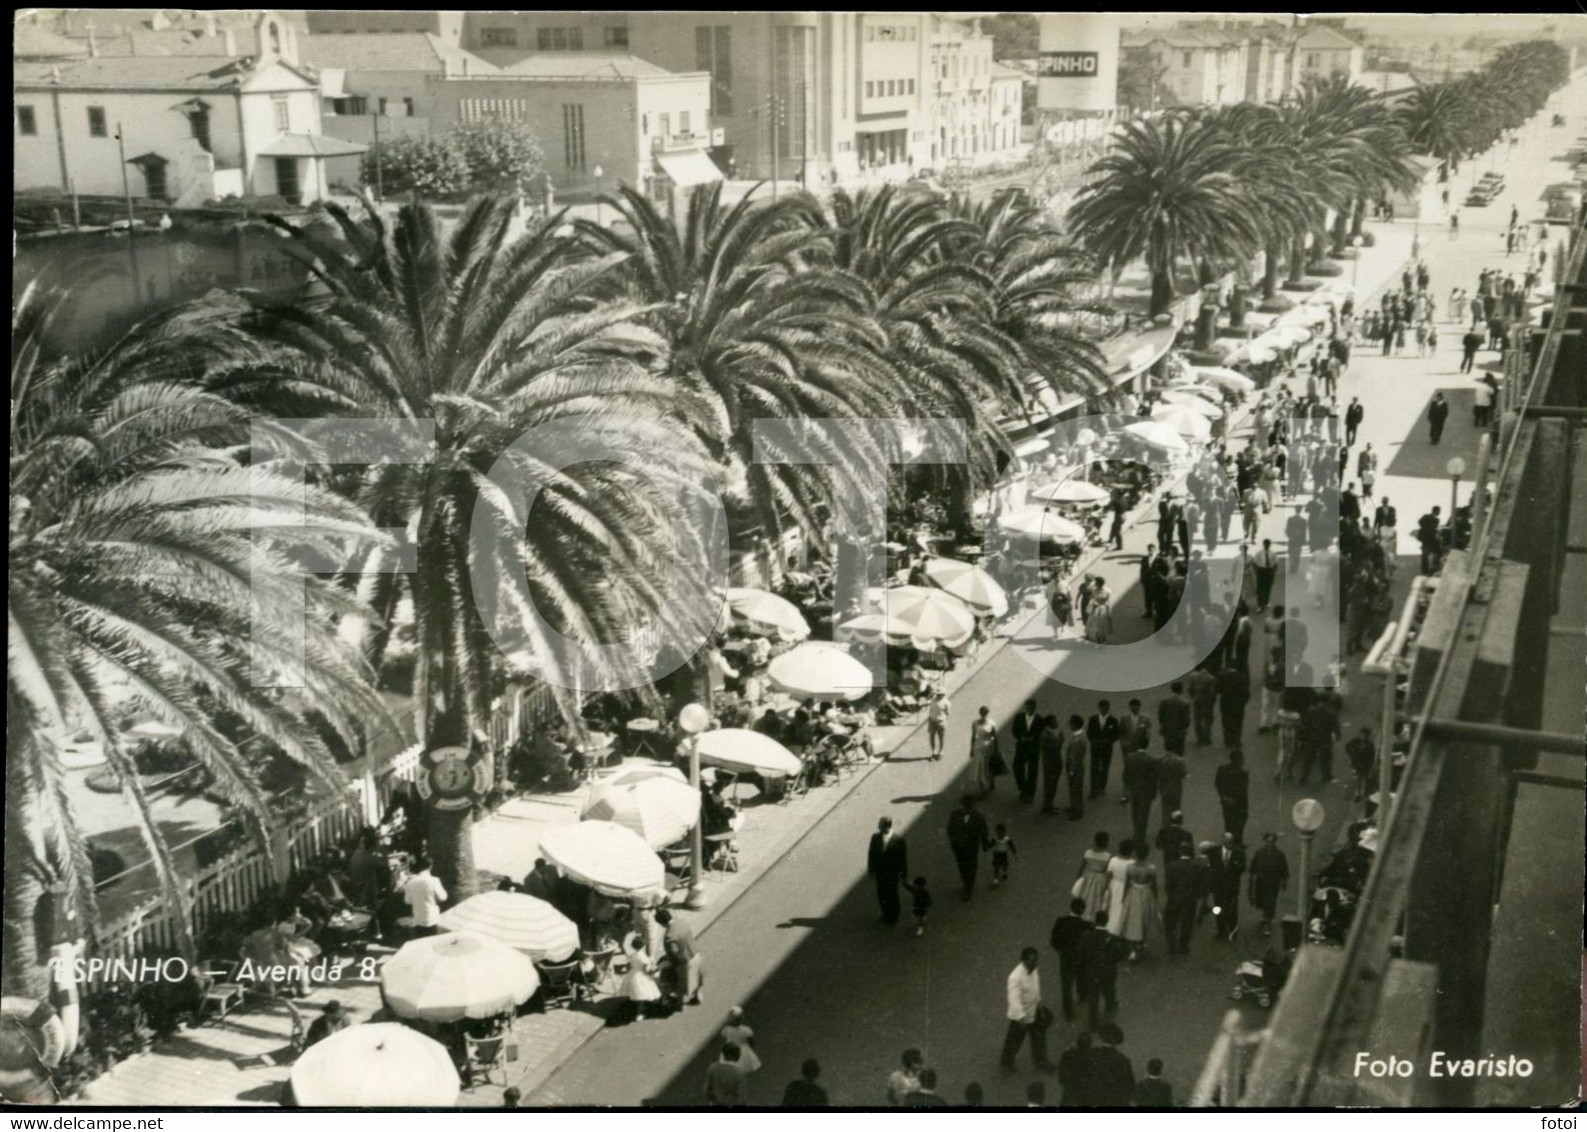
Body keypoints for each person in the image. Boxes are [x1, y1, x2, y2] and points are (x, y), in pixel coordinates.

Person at [1000, 947, 1052, 1073]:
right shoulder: (1015, 977)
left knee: (1039, 1040)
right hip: (1021, 1017)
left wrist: (1039, 1001)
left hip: (1034, 1010)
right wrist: (1021, 1017)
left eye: (1036, 960)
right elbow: (1013, 999)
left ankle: (1041, 1062)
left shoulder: (1033, 969)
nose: (1035, 963)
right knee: (1014, 1042)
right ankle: (1006, 1064)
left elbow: (1035, 986)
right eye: (1032, 960)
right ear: (1023, 961)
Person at [1078, 912, 1123, 1031]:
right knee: (1109, 989)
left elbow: (1081, 953)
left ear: (1095, 921)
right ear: (1107, 921)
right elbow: (1118, 956)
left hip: (1092, 971)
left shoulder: (1086, 935)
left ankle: (1093, 1023)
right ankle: (1110, 1005)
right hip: (1108, 971)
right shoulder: (1111, 938)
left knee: (1093, 997)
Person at [1050, 897, 1092, 1021]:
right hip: (1080, 958)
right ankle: (1082, 995)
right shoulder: (1085, 925)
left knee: (1066, 985)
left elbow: (1054, 940)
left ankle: (1068, 1011)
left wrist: (1062, 951)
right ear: (1082, 910)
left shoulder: (1061, 922)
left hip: (1065, 958)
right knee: (1081, 977)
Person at [1118, 842, 1161, 962]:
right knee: (1144, 917)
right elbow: (1154, 885)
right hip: (1146, 893)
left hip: (1133, 893)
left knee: (1133, 919)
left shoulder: (1130, 867)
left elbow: (1127, 883)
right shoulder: (1151, 869)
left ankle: (1133, 949)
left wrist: (1124, 896)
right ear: (1147, 854)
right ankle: (1140, 943)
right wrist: (1155, 898)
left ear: (1136, 854)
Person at [946, 794, 991, 899]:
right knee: (962, 866)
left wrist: (985, 844)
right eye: (965, 805)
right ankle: (966, 883)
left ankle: (968, 888)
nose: (967, 808)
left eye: (969, 806)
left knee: (971, 867)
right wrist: (953, 841)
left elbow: (984, 832)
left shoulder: (979, 817)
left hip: (972, 847)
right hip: (959, 846)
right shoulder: (955, 814)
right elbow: (950, 828)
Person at [1162, 846, 1203, 957]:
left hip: (1175, 898)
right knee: (1187, 923)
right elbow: (1199, 885)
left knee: (1170, 923)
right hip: (1190, 899)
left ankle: (1171, 947)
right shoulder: (1197, 867)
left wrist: (1170, 896)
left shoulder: (1171, 866)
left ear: (1180, 852)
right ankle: (1183, 947)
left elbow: (1168, 885)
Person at [867, 817, 909, 926]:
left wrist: (903, 875)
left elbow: (903, 860)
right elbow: (871, 855)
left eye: (880, 826)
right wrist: (871, 870)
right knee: (881, 893)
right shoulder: (875, 837)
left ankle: (893, 916)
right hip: (880, 873)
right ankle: (885, 913)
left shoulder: (898, 840)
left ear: (887, 826)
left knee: (892, 894)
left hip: (892, 874)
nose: (878, 828)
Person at [657, 908, 703, 1007]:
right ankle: (696, 996)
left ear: (661, 923)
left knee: (682, 983)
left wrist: (669, 962)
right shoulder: (683, 923)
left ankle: (679, 1004)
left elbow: (674, 954)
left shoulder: (669, 936)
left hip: (684, 962)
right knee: (697, 977)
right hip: (695, 953)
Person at [1247, 833, 1290, 937]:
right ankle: (1266, 915)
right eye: (1268, 841)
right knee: (1261, 900)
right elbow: (1253, 867)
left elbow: (1284, 868)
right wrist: (1251, 880)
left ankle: (1268, 924)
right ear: (1265, 841)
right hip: (1261, 881)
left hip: (1273, 882)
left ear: (1275, 842)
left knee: (1270, 902)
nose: (1270, 844)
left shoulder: (1279, 854)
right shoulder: (1259, 852)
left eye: (1272, 842)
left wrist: (1284, 881)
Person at [1207, 834, 1247, 942]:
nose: (1230, 844)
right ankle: (1221, 931)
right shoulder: (1214, 852)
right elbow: (1211, 868)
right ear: (1223, 841)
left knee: (1232, 909)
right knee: (1218, 909)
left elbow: (1242, 867)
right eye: (1228, 842)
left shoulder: (1239, 852)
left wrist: (1234, 872)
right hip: (1218, 886)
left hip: (1232, 886)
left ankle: (1232, 931)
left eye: (1231, 842)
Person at [619, 931, 664, 1019]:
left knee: (637, 994)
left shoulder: (633, 955)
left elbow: (630, 965)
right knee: (643, 995)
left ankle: (637, 1010)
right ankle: (640, 1013)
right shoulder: (642, 955)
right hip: (641, 976)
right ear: (642, 946)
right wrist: (654, 969)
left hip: (633, 974)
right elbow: (646, 969)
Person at [1122, 744, 1161, 846]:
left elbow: (1126, 774)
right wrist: (1154, 792)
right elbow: (1154, 778)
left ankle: (1137, 830)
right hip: (1146, 790)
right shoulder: (1152, 760)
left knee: (1134, 811)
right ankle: (1140, 835)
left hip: (1134, 788)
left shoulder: (1130, 757)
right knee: (1143, 813)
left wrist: (1128, 786)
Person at [1089, 1024, 1136, 1107]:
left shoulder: (1092, 1054)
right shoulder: (1123, 1060)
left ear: (1102, 1037)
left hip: (1094, 1100)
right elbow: (1129, 1086)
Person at [401, 855, 446, 936]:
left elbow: (407, 901)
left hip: (418, 919)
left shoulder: (411, 882)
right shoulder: (434, 881)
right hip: (432, 918)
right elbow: (443, 897)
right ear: (431, 866)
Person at [1085, 701, 1121, 800]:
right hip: (1095, 748)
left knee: (1105, 767)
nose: (1104, 709)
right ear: (1099, 708)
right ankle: (1093, 790)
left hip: (1107, 748)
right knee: (1094, 768)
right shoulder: (1093, 719)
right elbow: (1089, 732)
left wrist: (1109, 741)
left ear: (1108, 708)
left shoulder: (1113, 720)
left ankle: (1101, 787)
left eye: (1105, 708)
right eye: (1102, 708)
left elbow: (1117, 734)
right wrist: (1094, 741)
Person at [1215, 749, 1250, 845]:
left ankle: (1229, 841)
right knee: (1239, 823)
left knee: (1228, 822)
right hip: (1239, 803)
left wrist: (1223, 796)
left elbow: (1218, 784)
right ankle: (1238, 842)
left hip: (1226, 801)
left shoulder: (1221, 769)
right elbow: (1242, 790)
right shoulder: (1243, 773)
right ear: (1238, 760)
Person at [1075, 831, 1112, 921]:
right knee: (1097, 896)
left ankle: (1083, 913)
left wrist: (1079, 878)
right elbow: (1108, 870)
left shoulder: (1088, 853)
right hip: (1100, 878)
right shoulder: (1107, 856)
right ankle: (1094, 915)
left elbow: (1082, 866)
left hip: (1088, 876)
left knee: (1085, 894)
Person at [1216, 662, 1251, 750]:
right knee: (1238, 722)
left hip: (1225, 704)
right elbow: (1246, 693)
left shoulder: (1222, 677)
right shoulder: (1243, 677)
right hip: (1239, 705)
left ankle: (1228, 740)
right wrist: (1243, 702)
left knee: (1226, 722)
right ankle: (1237, 740)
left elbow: (1217, 690)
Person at [969, 705, 1001, 798]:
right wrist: (971, 749)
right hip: (978, 747)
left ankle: (991, 782)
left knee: (988, 767)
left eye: (985, 713)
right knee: (979, 768)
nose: (983, 715)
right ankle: (982, 790)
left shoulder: (991, 723)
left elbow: (995, 737)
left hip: (988, 748)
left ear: (987, 713)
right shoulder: (975, 723)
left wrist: (997, 749)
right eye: (982, 713)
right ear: (980, 713)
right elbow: (973, 736)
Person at [705, 1041, 748, 1105]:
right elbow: (741, 1098)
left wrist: (711, 1101)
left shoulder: (712, 1068)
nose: (739, 1055)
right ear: (731, 1055)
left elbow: (707, 1089)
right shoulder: (739, 1073)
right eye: (737, 1053)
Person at [1186, 666, 1217, 747]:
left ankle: (1199, 737)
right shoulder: (1211, 678)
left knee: (1197, 720)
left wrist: (1193, 697)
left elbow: (1190, 689)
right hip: (1207, 701)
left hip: (1197, 700)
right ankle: (1207, 737)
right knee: (1208, 720)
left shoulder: (1193, 676)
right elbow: (1212, 693)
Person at [925, 689, 949, 760]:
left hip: (941, 721)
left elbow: (947, 713)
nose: (938, 695)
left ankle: (941, 751)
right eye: (937, 694)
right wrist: (930, 717)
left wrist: (945, 721)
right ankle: (934, 752)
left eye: (940, 694)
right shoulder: (933, 700)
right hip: (932, 720)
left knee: (941, 737)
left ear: (943, 695)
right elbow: (930, 708)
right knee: (932, 735)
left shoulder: (946, 703)